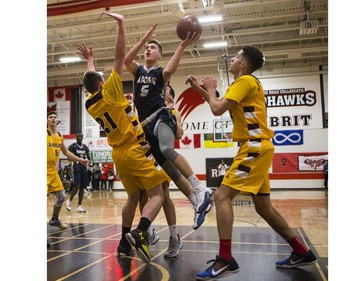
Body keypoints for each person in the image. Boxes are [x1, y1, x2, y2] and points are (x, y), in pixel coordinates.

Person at [186, 46, 317, 280]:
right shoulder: (246, 84)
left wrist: (212, 89)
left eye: (236, 57)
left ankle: (226, 259)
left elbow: (216, 109)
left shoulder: (244, 81)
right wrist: (201, 90)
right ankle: (301, 251)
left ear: (244, 64)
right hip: (259, 146)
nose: (233, 59)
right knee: (263, 207)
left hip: (253, 147)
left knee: (221, 196)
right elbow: (219, 103)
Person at [77, 10, 171, 263]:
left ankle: (123, 242)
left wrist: (90, 60)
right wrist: (121, 24)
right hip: (135, 148)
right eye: (103, 79)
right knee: (158, 194)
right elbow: (120, 56)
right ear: (101, 84)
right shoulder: (110, 91)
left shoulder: (90, 102)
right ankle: (141, 233)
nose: (107, 78)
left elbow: (90, 79)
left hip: (118, 154)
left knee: (133, 196)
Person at [124, 24, 213, 230]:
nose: (149, 49)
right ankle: (196, 202)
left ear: (160, 55)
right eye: (148, 47)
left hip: (161, 116)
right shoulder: (137, 71)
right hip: (145, 127)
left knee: (166, 148)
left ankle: (200, 188)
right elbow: (126, 60)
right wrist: (142, 39)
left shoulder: (160, 72)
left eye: (153, 48)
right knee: (170, 170)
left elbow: (171, 69)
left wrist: (181, 45)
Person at [47, 111, 90, 232]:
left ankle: (55, 219)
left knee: (61, 196)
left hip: (52, 171)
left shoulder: (60, 135)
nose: (53, 119)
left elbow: (66, 152)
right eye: (50, 117)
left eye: (55, 117)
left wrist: (80, 160)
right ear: (47, 120)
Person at [66, 133, 91, 213]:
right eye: (78, 136)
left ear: (83, 137)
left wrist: (90, 163)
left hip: (83, 167)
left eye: (81, 136)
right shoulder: (72, 146)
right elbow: (68, 156)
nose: (80, 137)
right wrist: (76, 160)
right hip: (76, 166)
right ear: (76, 137)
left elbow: (89, 157)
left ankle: (79, 206)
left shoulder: (85, 147)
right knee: (77, 185)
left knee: (82, 187)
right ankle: (69, 201)